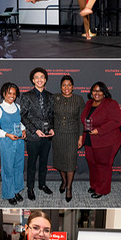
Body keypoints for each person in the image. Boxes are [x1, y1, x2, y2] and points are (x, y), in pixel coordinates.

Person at [80, 81, 121, 199]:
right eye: (94, 90)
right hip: (89, 138)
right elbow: (84, 119)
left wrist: (99, 130)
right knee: (92, 163)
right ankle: (95, 185)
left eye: (99, 90)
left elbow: (118, 121)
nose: (96, 93)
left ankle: (102, 190)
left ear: (104, 92)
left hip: (106, 140)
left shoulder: (111, 103)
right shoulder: (89, 103)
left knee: (103, 165)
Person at [20, 67, 55, 200]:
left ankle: (42, 184)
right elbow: (23, 116)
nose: (39, 79)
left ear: (45, 80)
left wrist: (52, 128)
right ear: (33, 80)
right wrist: (35, 130)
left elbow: (52, 115)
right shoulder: (26, 96)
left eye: (42, 77)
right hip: (33, 137)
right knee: (31, 165)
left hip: (47, 137)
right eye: (37, 77)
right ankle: (30, 188)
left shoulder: (51, 96)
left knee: (44, 163)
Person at [0, 82, 26, 206]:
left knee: (18, 167)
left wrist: (23, 130)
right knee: (8, 168)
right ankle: (9, 194)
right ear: (3, 93)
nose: (12, 96)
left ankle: (16, 190)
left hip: (19, 141)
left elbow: (20, 123)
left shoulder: (18, 107)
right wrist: (7, 134)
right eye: (9, 93)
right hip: (7, 142)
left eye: (14, 94)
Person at [52, 75, 85, 203]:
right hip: (58, 135)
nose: (66, 87)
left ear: (73, 87)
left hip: (72, 135)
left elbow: (81, 120)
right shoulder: (55, 98)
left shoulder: (78, 99)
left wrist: (80, 137)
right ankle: (64, 181)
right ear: (61, 87)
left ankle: (69, 187)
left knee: (70, 162)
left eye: (69, 85)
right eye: (64, 85)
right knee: (60, 160)